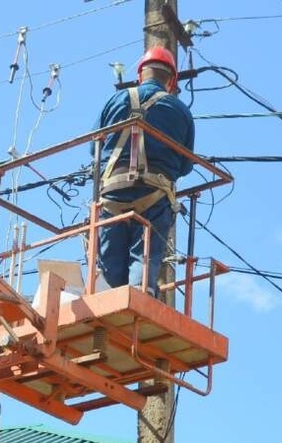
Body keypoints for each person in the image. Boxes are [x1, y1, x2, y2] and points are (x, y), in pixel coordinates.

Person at [95, 46, 196, 296]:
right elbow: (185, 166)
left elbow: (95, 148)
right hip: (155, 193)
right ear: (171, 81)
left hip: (114, 191)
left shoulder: (115, 101)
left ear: (140, 75)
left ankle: (117, 299)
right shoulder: (181, 111)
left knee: (109, 264)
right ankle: (139, 298)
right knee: (144, 256)